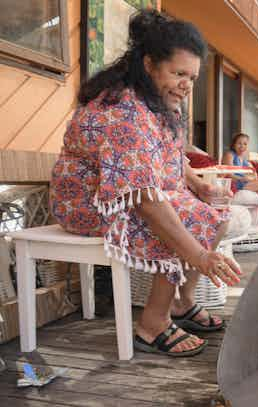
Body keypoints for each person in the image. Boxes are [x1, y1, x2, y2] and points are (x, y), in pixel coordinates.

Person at [49, 9, 242, 357]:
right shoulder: (122, 109)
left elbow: (164, 155)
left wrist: (198, 184)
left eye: (193, 77)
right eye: (179, 73)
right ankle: (152, 325)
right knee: (182, 218)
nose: (187, 84)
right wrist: (199, 255)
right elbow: (144, 198)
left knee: (215, 210)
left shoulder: (157, 102)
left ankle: (182, 303)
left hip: (130, 193)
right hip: (87, 201)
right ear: (150, 64)